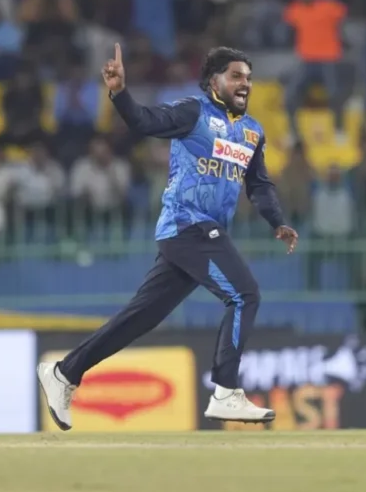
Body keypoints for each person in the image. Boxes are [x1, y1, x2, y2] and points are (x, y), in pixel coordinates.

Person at [37, 44, 299, 430]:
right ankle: (226, 390)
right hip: (187, 224)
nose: (245, 84)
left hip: (200, 234)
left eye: (248, 78)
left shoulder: (252, 131)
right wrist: (120, 93)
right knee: (245, 294)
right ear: (214, 81)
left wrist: (276, 220)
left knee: (139, 318)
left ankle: (64, 372)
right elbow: (143, 122)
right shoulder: (193, 112)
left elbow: (258, 184)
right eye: (236, 76)